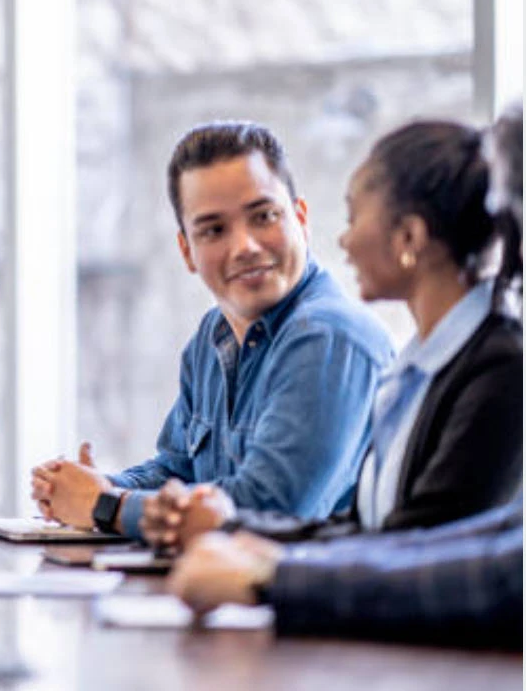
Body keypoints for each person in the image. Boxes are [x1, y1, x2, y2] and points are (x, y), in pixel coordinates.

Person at [168, 103, 524, 648]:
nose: (345, 241)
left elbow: (443, 556)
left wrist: (270, 574)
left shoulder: (500, 368)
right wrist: (239, 534)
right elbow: (375, 531)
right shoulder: (417, 369)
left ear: (408, 238)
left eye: (356, 216)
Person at [32, 122, 394, 539]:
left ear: (300, 219)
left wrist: (104, 506)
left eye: (264, 216)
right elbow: (176, 469)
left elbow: (268, 509)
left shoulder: (329, 336)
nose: (245, 246)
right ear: (187, 250)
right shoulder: (213, 336)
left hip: (309, 597)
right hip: (223, 593)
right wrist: (90, 488)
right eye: (214, 230)